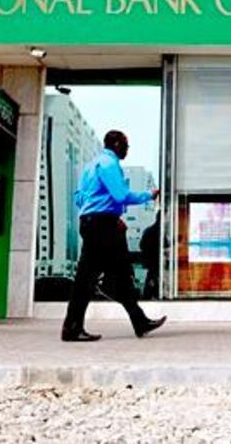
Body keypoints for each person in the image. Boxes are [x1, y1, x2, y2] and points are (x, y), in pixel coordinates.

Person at [61, 130, 167, 342]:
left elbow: (79, 198)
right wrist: (149, 195)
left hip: (98, 223)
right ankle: (72, 328)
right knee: (87, 278)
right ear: (116, 144)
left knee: (121, 275)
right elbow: (121, 195)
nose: (128, 149)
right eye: (126, 145)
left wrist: (108, 213)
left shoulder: (91, 166)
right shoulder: (110, 165)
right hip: (102, 227)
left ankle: (140, 321)